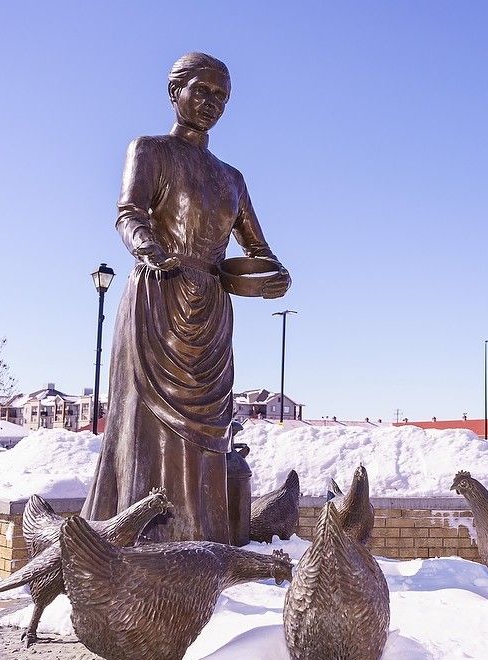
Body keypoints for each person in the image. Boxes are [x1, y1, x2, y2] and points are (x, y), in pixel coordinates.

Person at [81, 52, 291, 543]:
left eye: (222, 96)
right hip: (158, 298)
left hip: (211, 313)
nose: (212, 102)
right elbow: (129, 213)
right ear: (175, 92)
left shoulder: (231, 178)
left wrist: (273, 278)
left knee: (209, 434)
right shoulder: (149, 150)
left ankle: (201, 536)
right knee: (146, 424)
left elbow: (258, 250)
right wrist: (148, 248)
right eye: (202, 90)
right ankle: (136, 535)